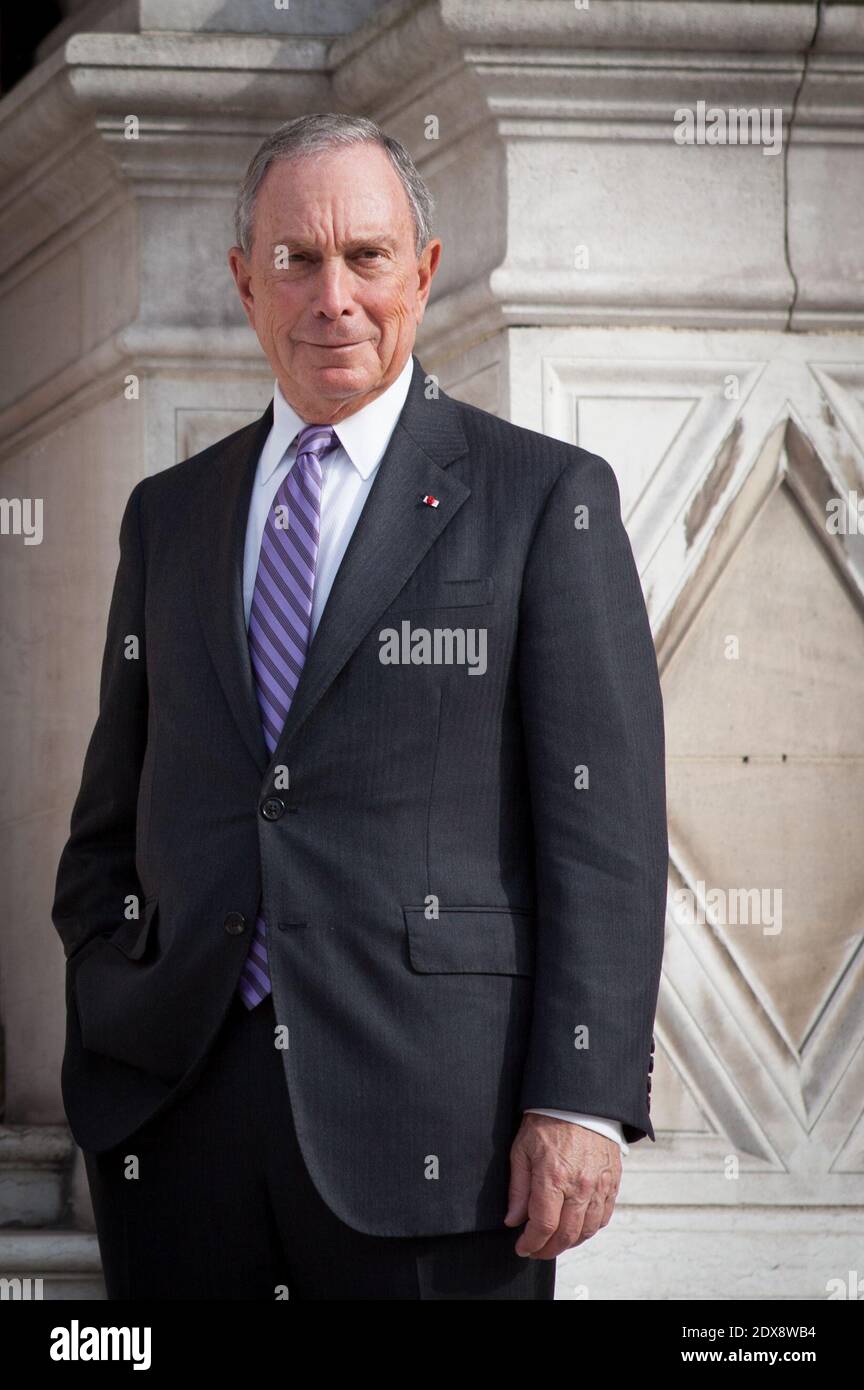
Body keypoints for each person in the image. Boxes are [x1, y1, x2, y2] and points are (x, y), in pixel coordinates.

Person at [51, 113, 667, 1300]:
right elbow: (110, 821)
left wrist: (579, 1096)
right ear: (245, 283)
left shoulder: (544, 500)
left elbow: (606, 833)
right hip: (178, 1120)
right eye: (294, 259)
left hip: (445, 1133)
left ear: (423, 275)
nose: (331, 295)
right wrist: (109, 991)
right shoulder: (166, 516)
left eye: (365, 257)